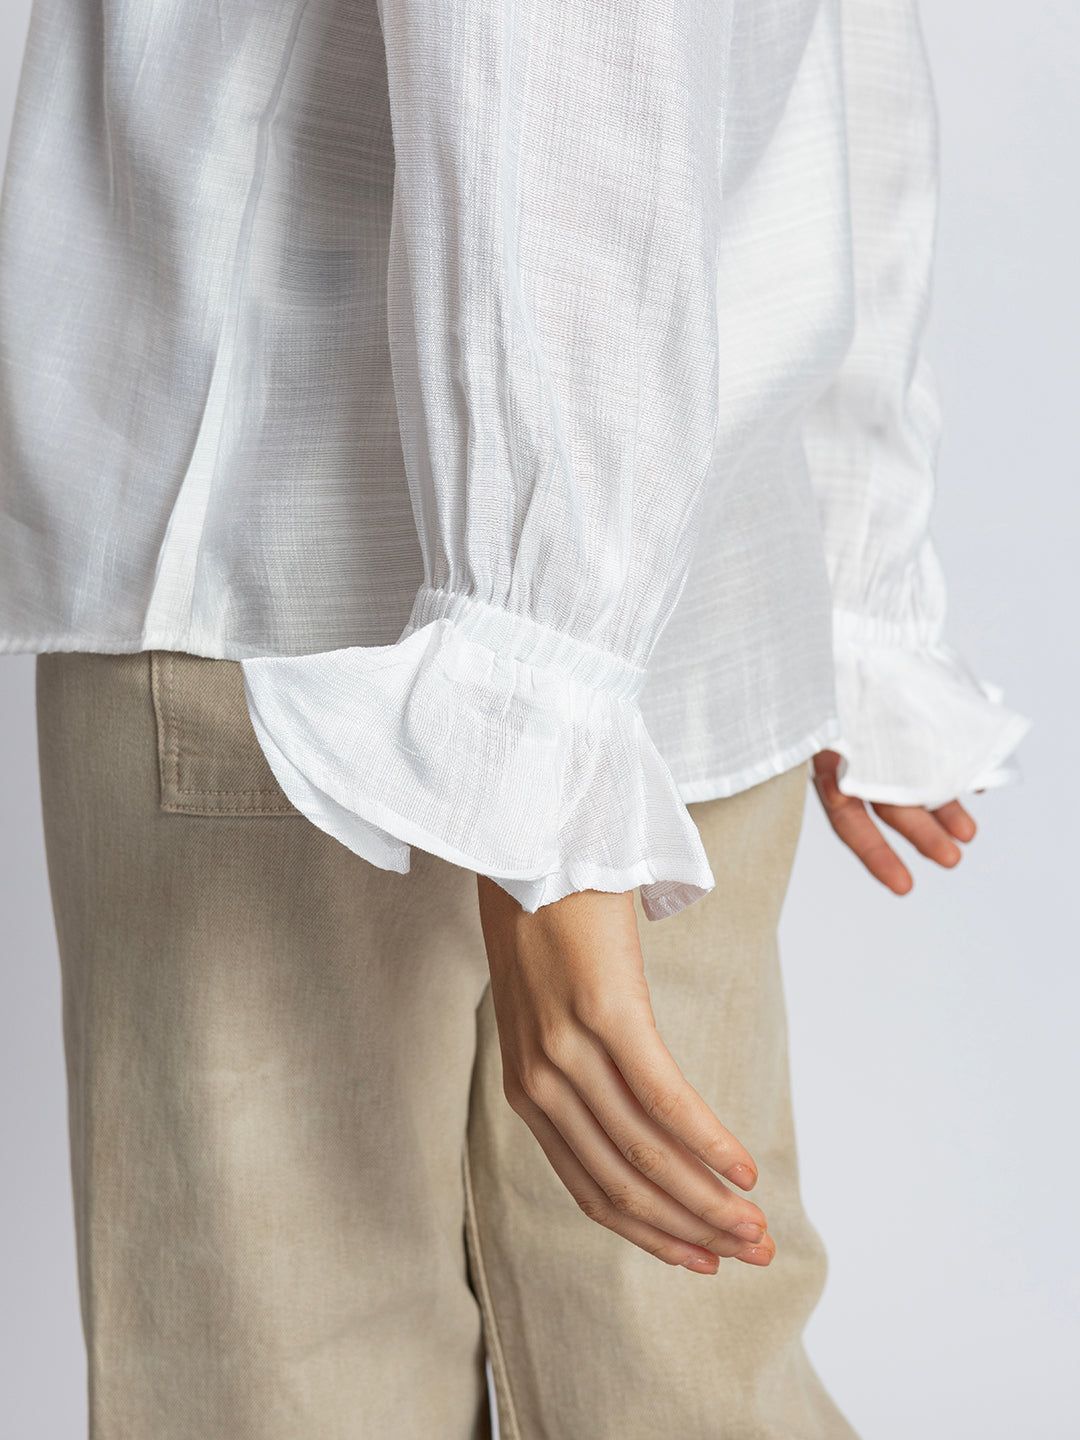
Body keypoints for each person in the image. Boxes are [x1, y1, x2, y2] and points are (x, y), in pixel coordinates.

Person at [0, 0, 1029, 1435]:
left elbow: (562, 56)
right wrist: (851, 551)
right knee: (681, 1374)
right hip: (676, 601)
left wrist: (537, 740)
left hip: (292, 582)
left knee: (288, 1386)